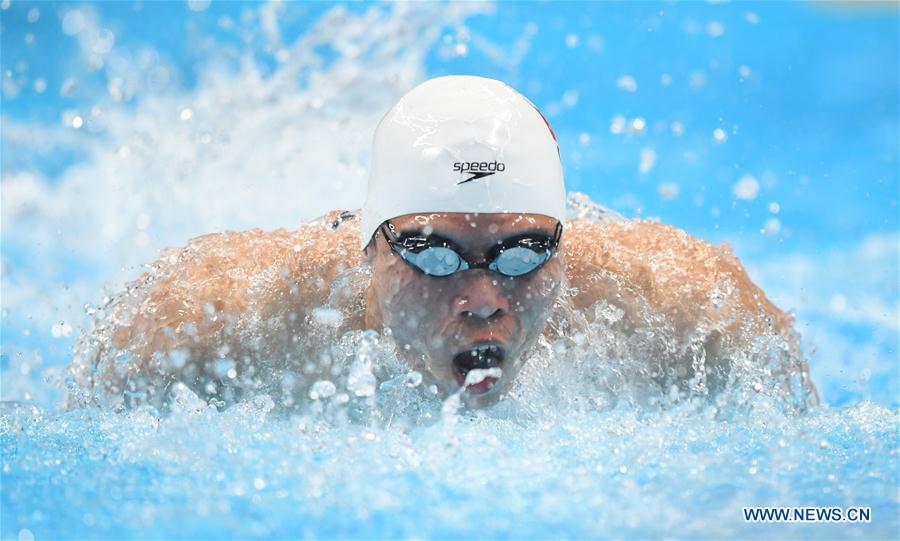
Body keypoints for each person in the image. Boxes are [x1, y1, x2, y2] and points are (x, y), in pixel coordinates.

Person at [67, 76, 818, 412]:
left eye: (524, 250)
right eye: (431, 252)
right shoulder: (225, 314)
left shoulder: (683, 302)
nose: (484, 298)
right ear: (370, 249)